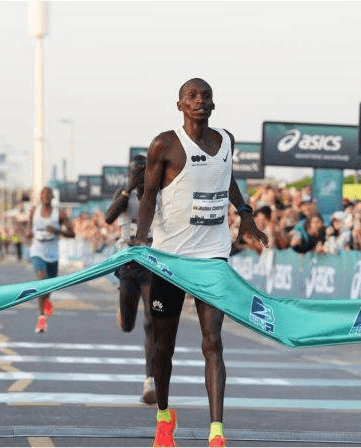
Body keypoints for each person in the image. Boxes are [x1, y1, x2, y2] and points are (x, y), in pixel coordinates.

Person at [131, 78, 268, 448]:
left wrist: (245, 213)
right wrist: (141, 239)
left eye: (206, 96)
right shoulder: (164, 144)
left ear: (213, 104)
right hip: (170, 259)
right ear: (179, 105)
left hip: (212, 256)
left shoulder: (226, 141)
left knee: (213, 342)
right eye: (192, 96)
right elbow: (148, 196)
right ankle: (164, 418)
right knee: (164, 347)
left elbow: (226, 177)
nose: (200, 101)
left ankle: (216, 432)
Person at [104, 154, 156, 404]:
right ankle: (123, 312)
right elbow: (108, 218)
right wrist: (128, 188)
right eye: (137, 172)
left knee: (151, 322)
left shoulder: (159, 195)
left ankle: (150, 380)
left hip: (152, 264)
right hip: (127, 264)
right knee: (127, 325)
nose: (141, 176)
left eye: (144, 171)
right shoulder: (124, 195)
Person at [26, 186, 76, 333]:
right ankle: (41, 318)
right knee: (42, 281)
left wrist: (57, 230)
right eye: (43, 194)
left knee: (49, 286)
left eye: (49, 194)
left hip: (53, 254)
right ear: (40, 197)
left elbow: (72, 234)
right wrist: (28, 234)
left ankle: (47, 300)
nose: (46, 197)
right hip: (37, 251)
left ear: (53, 197)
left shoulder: (59, 214)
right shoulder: (34, 211)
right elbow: (28, 228)